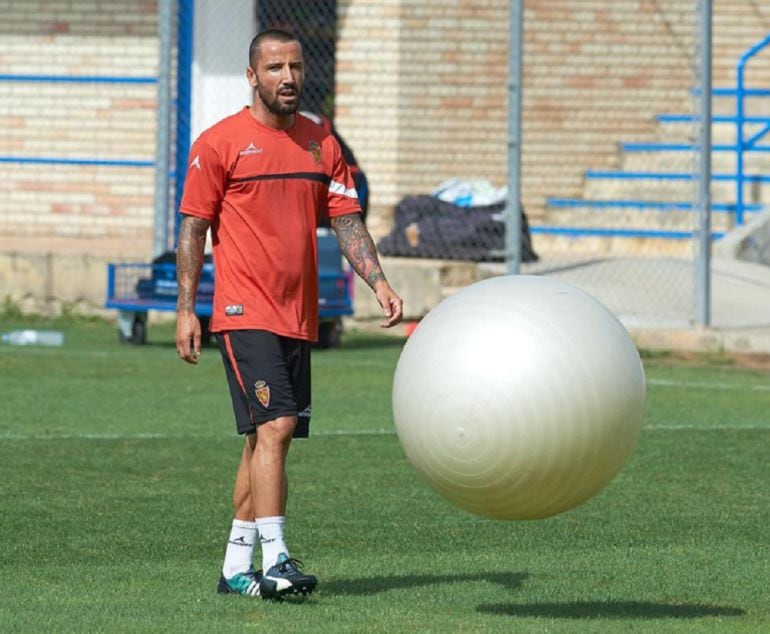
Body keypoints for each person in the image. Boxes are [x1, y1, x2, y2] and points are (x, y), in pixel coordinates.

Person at [175, 29, 403, 600]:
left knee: (264, 441)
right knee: (274, 426)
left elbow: (347, 220)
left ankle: (235, 567)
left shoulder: (320, 143)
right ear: (252, 76)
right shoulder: (218, 143)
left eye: (296, 67)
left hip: (297, 317)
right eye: (275, 67)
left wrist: (377, 282)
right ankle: (277, 560)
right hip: (242, 310)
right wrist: (186, 310)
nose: (288, 77)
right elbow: (194, 228)